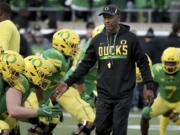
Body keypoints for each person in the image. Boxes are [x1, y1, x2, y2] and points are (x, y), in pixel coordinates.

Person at [55, 4, 154, 135]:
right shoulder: (97, 40)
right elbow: (85, 65)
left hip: (123, 94)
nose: (107, 20)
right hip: (103, 94)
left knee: (119, 131)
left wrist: (149, 86)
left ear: (118, 17)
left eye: (110, 17)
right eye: (105, 17)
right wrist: (68, 83)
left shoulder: (131, 39)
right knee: (101, 130)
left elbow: (143, 63)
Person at [0, 50, 61, 135]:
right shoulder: (21, 82)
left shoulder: (26, 85)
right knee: (4, 128)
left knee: (11, 123)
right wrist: (40, 112)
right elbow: (13, 111)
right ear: (33, 73)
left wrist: (36, 117)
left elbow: (15, 112)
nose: (44, 79)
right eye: (42, 75)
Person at [140, 47, 180, 135]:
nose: (170, 66)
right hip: (163, 100)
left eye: (173, 63)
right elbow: (148, 82)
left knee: (176, 119)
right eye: (167, 63)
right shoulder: (157, 70)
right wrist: (148, 94)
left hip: (178, 101)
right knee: (145, 113)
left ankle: (173, 117)